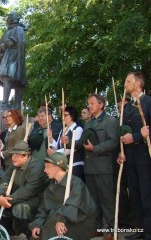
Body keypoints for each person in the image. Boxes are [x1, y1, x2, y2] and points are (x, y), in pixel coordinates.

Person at [64, 94, 119, 240]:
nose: (89, 106)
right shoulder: (88, 123)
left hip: (103, 166)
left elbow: (113, 142)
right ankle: (98, 227)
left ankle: (112, 230)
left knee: (107, 199)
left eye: (92, 103)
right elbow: (82, 142)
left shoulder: (110, 120)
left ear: (101, 105)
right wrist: (68, 143)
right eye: (88, 103)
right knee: (94, 200)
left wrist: (94, 148)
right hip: (90, 167)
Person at [29, 152, 95, 240]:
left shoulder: (76, 184)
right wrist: (37, 224)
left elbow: (74, 205)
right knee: (37, 234)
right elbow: (43, 209)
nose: (44, 170)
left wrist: (62, 219)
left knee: (53, 227)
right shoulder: (51, 186)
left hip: (77, 222)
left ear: (57, 167)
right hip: (58, 219)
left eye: (47, 167)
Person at [120, 72, 151, 240]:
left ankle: (149, 231)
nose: (125, 84)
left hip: (144, 157)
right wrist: (121, 151)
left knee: (147, 195)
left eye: (128, 81)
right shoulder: (127, 107)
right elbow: (124, 131)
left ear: (138, 84)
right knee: (135, 194)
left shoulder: (148, 102)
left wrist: (138, 137)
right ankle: (141, 229)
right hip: (130, 157)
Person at [0, 141, 49, 238]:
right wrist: (0, 196)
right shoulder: (14, 166)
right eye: (12, 155)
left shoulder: (37, 167)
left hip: (39, 200)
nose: (13, 157)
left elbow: (28, 190)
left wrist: (8, 200)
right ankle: (10, 232)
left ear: (26, 156)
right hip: (19, 197)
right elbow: (4, 181)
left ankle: (28, 234)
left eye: (17, 155)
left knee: (20, 208)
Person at [0, 11, 26, 110]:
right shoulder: (7, 31)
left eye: (9, 18)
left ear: (13, 19)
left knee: (13, 80)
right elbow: (1, 45)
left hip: (14, 58)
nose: (7, 19)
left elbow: (22, 42)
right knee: (5, 78)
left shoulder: (19, 29)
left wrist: (9, 42)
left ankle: (13, 104)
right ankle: (5, 103)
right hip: (6, 57)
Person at [47, 106, 85, 181]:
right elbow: (58, 147)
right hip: (65, 165)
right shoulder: (63, 131)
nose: (63, 117)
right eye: (62, 115)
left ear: (72, 116)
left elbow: (74, 148)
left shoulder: (78, 129)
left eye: (65, 115)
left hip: (75, 165)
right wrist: (50, 138)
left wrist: (56, 153)